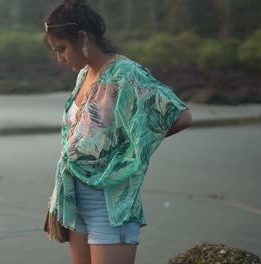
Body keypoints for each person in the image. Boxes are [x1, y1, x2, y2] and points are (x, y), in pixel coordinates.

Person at [43, 1, 192, 263]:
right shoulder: (85, 74)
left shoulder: (126, 74)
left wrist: (130, 149)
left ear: (82, 37)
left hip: (109, 202)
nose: (60, 58)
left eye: (62, 49)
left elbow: (180, 116)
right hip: (75, 197)